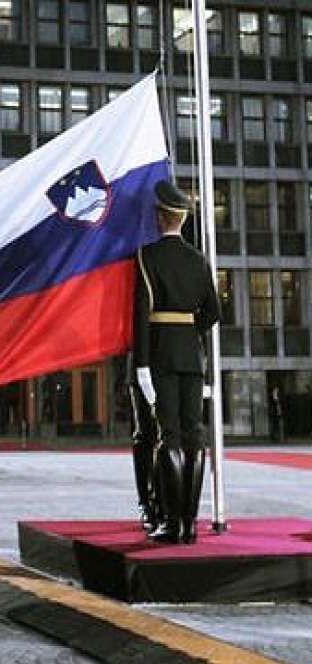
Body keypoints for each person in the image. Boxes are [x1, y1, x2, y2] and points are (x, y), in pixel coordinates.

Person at [133, 180, 221, 545]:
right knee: (194, 435)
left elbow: (140, 316)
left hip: (162, 356)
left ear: (160, 217)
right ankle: (189, 524)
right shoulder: (199, 260)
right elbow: (213, 312)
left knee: (168, 436)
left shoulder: (147, 257)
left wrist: (142, 364)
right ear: (182, 219)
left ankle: (171, 522)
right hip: (190, 354)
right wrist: (189, 332)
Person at [127, 353, 161, 533]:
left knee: (171, 436)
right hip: (142, 365)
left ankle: (166, 503)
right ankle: (147, 504)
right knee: (145, 436)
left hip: (172, 364)